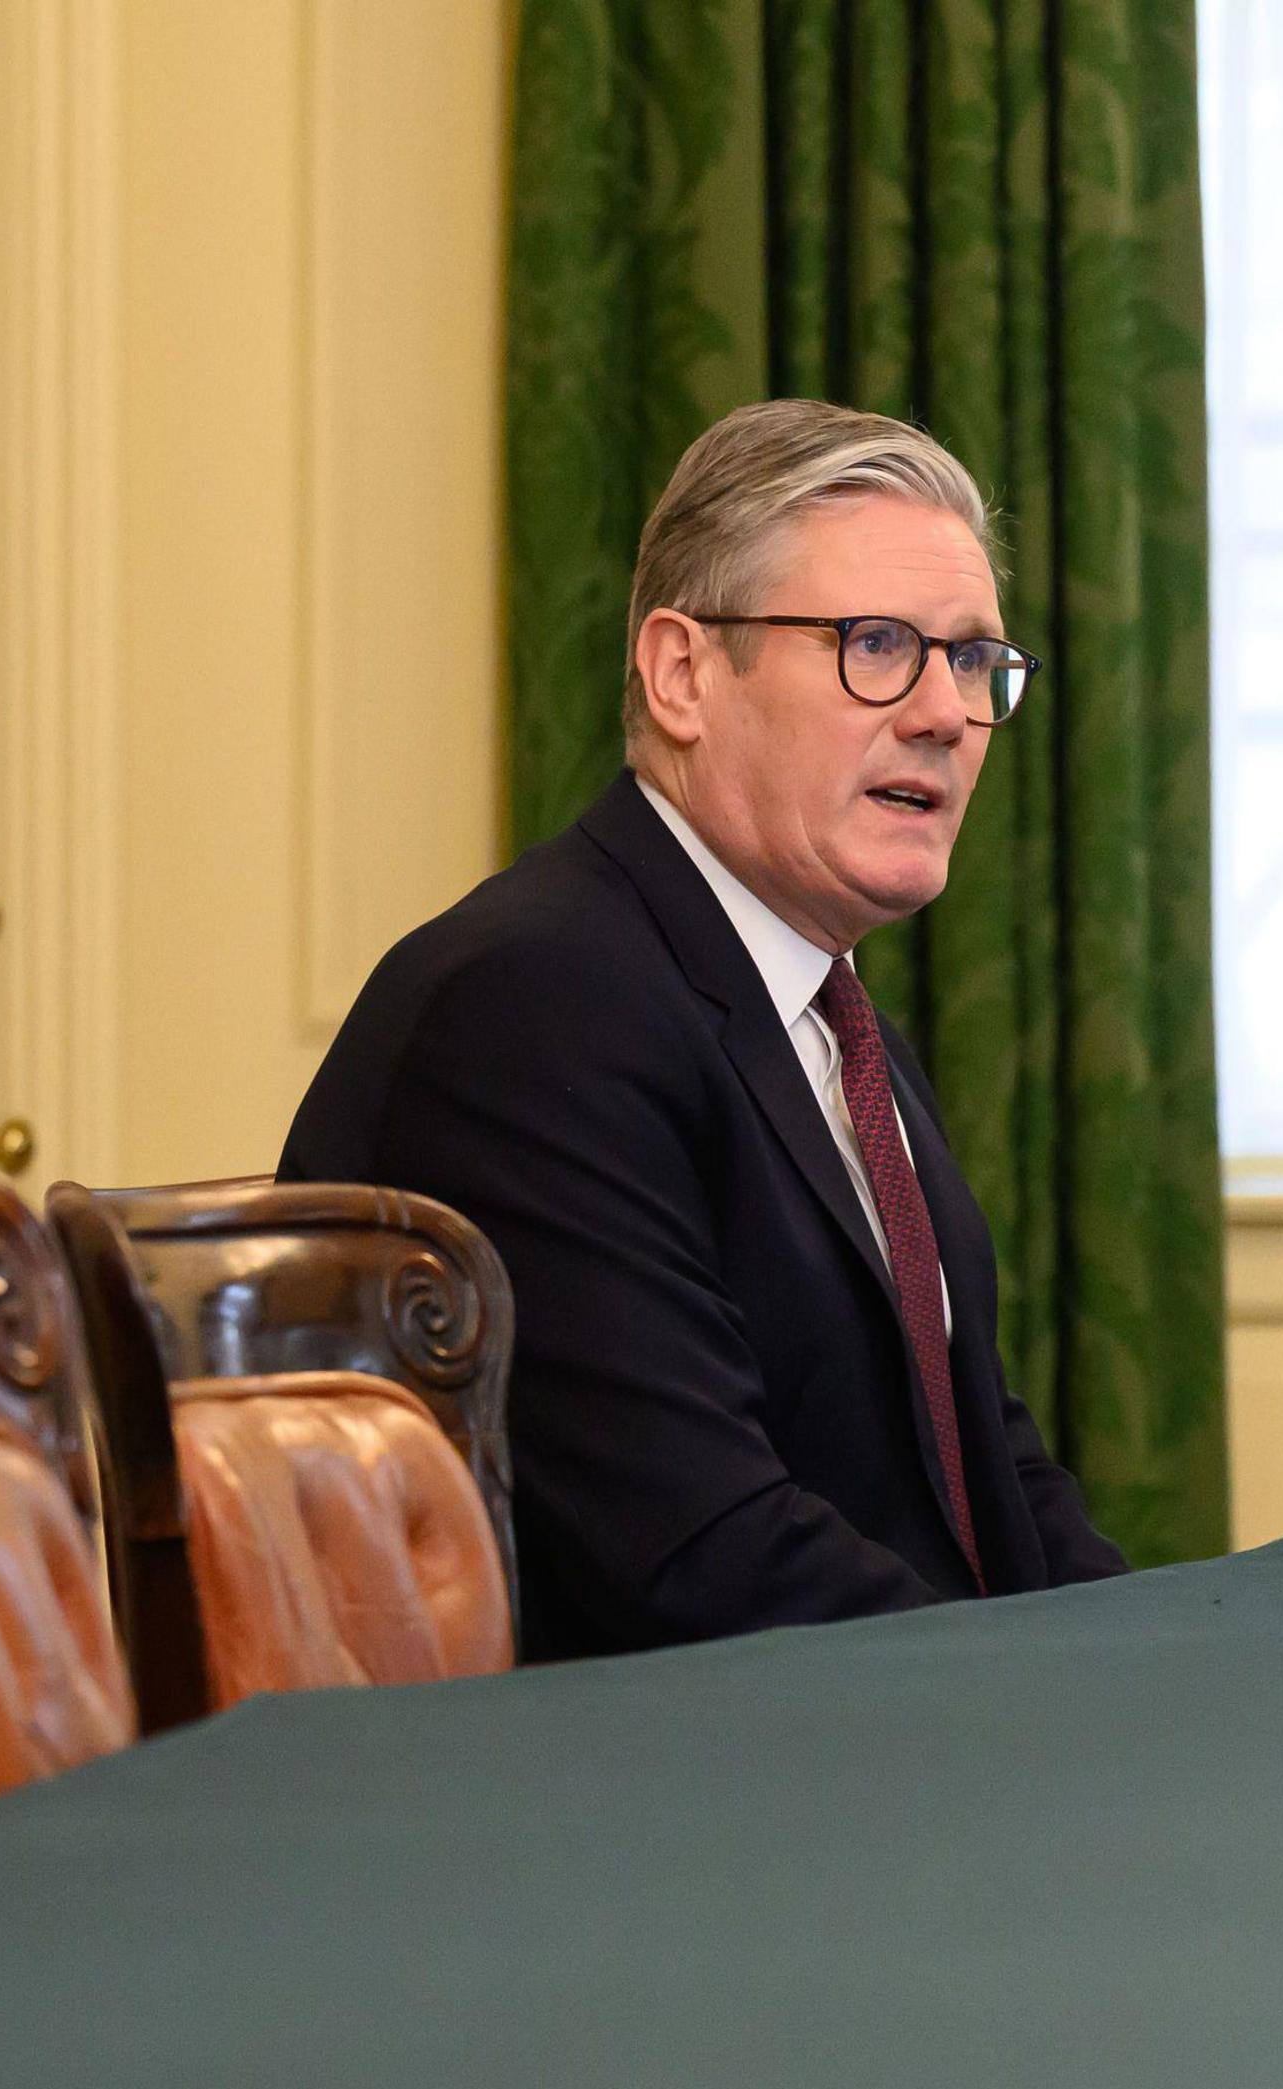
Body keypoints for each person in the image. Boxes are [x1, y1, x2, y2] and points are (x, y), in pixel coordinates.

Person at [284, 400, 1127, 1657]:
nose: (946, 713)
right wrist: (1058, 1706)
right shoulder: (533, 1007)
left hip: (865, 1749)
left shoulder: (837, 1021)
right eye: (878, 644)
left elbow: (993, 1479)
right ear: (682, 673)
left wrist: (1166, 1670)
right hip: (637, 1811)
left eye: (972, 661)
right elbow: (701, 1556)